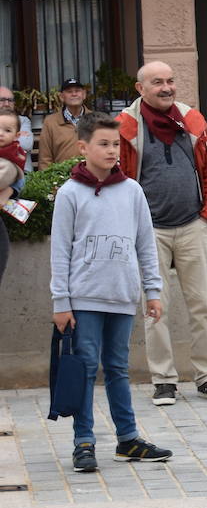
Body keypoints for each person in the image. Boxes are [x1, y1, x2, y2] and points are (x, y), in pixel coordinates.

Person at [51, 112, 173, 471]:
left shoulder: (132, 191)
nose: (111, 150)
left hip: (122, 297)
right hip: (84, 299)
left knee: (118, 368)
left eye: (116, 144)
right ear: (83, 147)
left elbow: (145, 244)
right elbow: (59, 251)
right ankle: (83, 441)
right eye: (103, 144)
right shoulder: (70, 193)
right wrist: (61, 301)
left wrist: (152, 291)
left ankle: (128, 439)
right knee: (85, 368)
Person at [118, 62, 207, 406]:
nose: (166, 87)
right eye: (157, 82)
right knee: (155, 310)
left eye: (170, 81)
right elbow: (119, 177)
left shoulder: (191, 120)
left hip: (192, 226)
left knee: (203, 306)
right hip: (149, 231)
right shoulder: (126, 125)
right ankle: (163, 381)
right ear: (140, 89)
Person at [37, 78, 91, 169]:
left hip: (92, 177)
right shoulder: (50, 122)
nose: (74, 94)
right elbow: (45, 159)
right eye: (69, 91)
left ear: (84, 94)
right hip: (61, 179)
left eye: (77, 91)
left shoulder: (96, 119)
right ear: (61, 97)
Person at [0, 109, 26, 286]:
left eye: (7, 130)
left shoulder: (14, 155)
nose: (1, 134)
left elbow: (21, 179)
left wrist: (9, 191)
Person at [0, 86, 33, 171]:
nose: (7, 104)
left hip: (23, 174)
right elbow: (21, 142)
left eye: (10, 100)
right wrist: (13, 137)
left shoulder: (23, 121)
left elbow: (26, 144)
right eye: (2, 100)